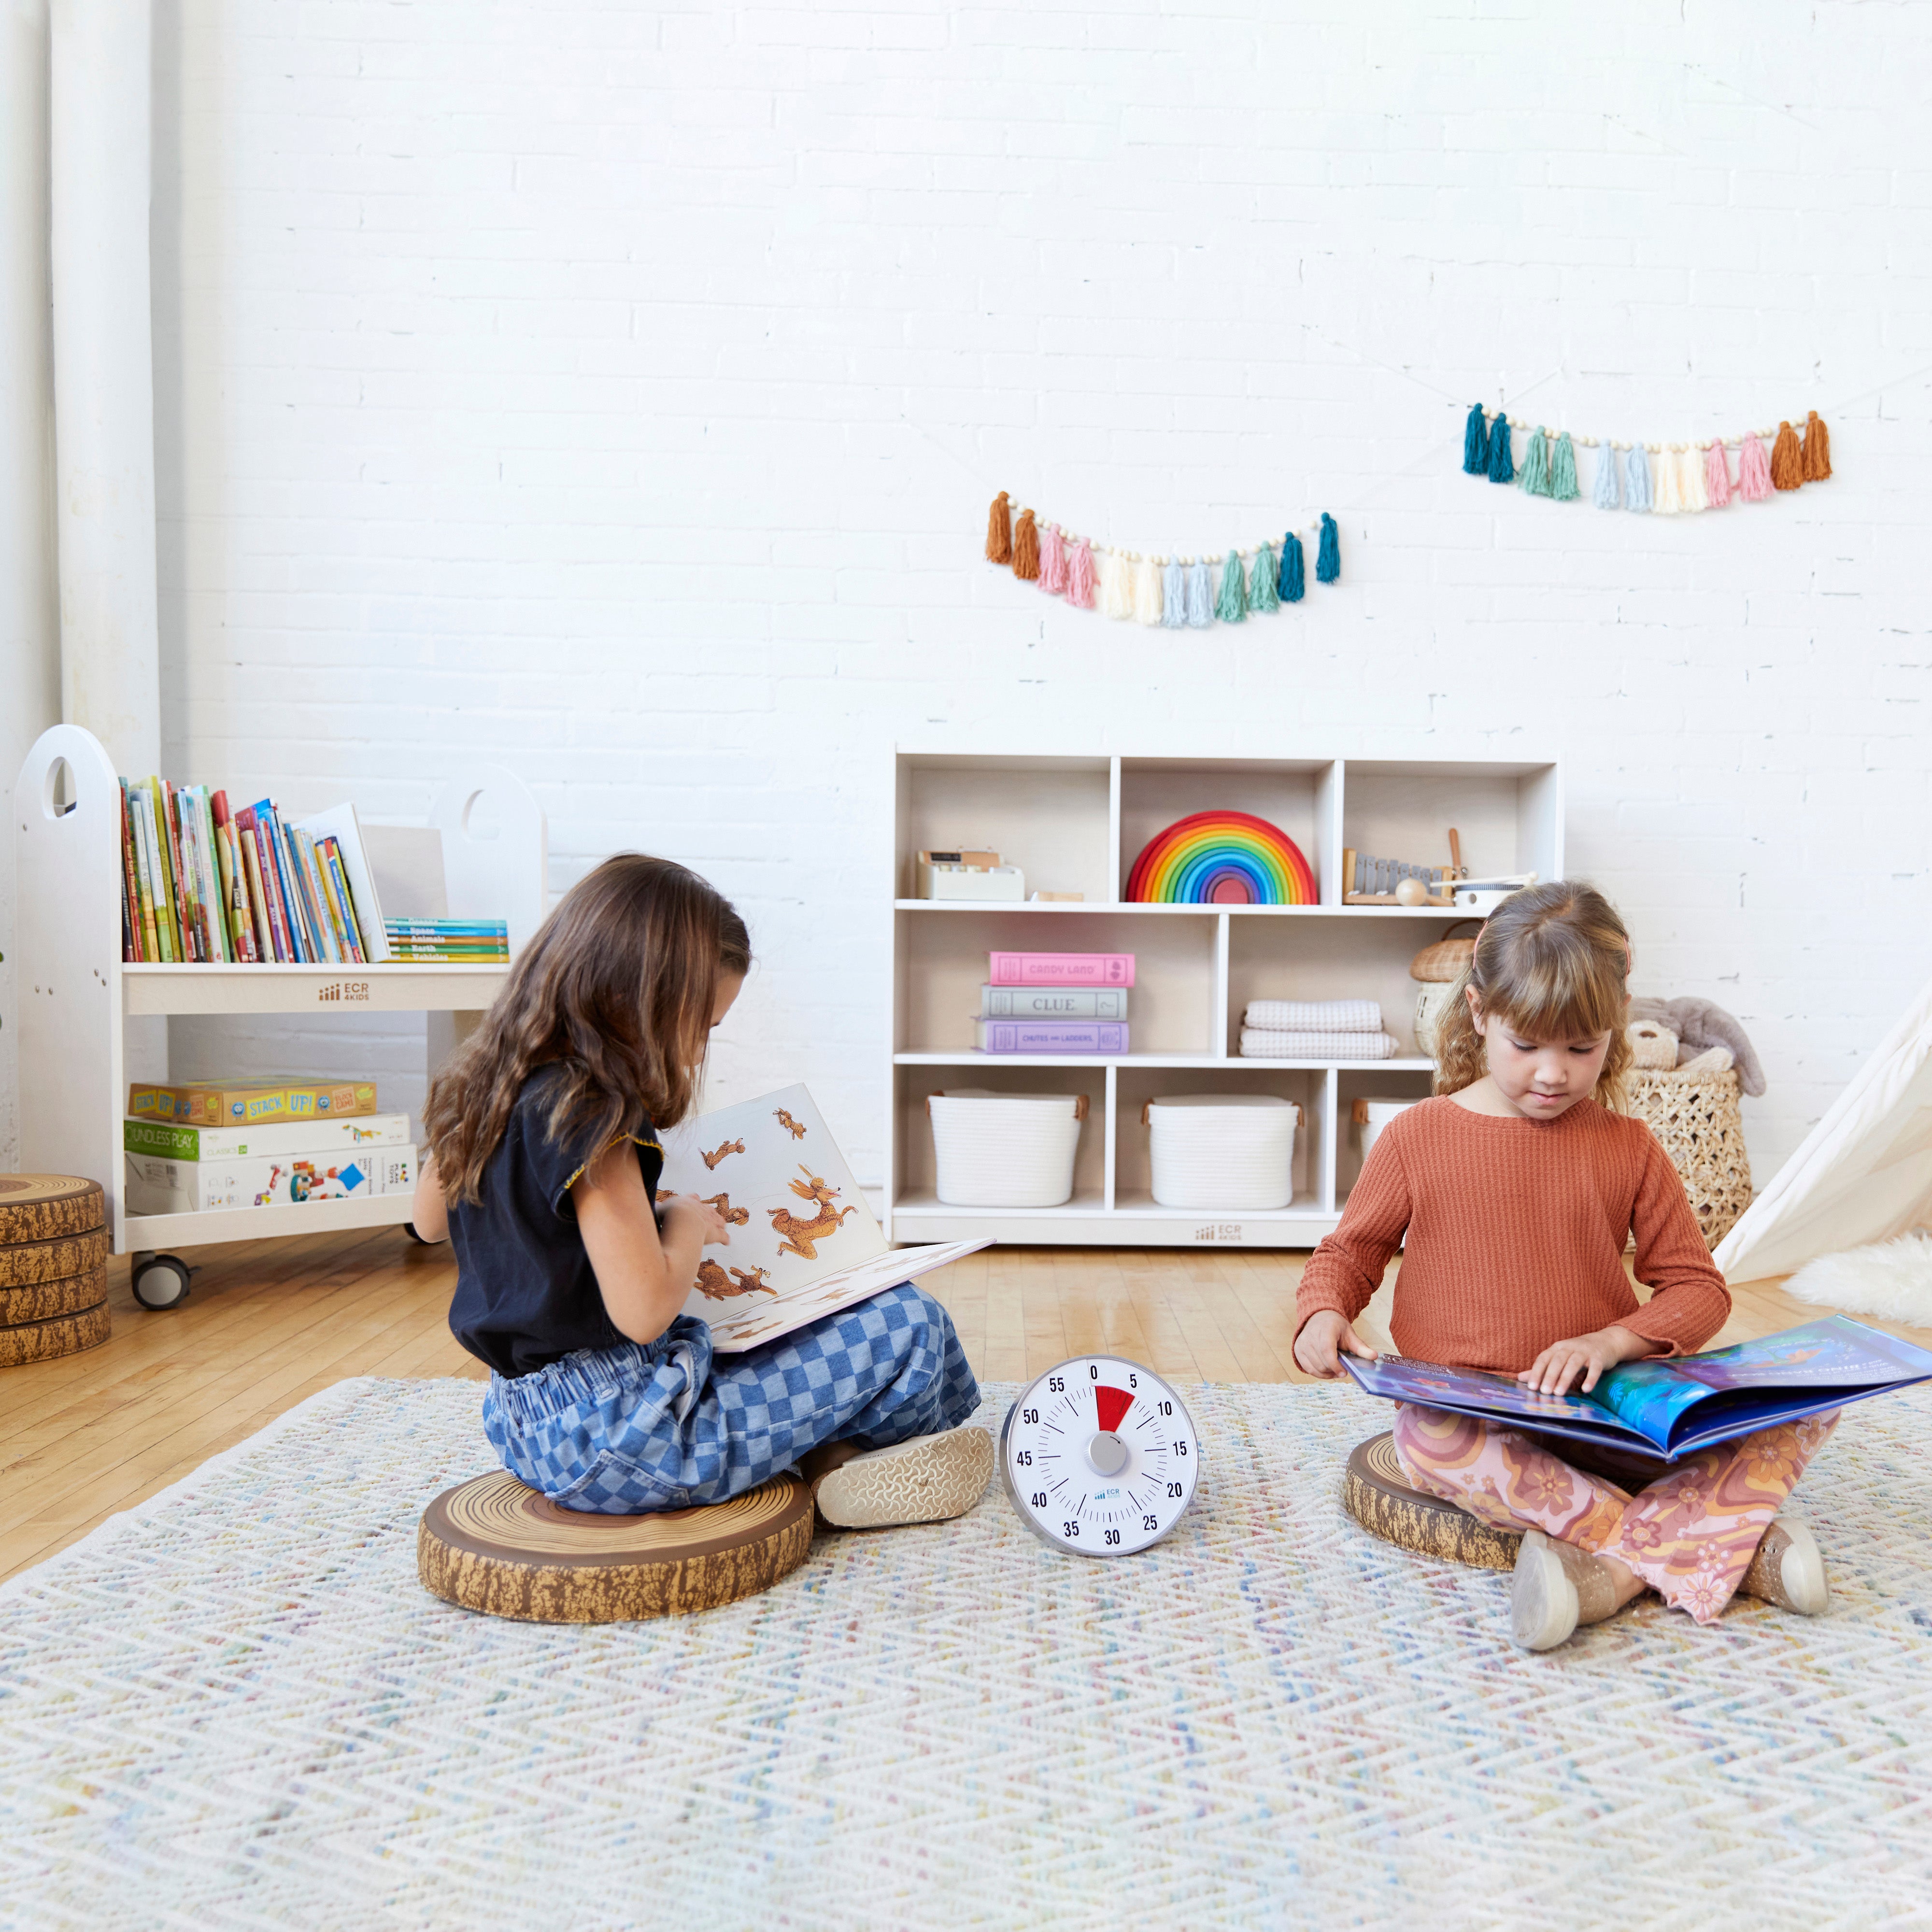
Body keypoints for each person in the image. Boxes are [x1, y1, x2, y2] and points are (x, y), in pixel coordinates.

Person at [1293, 881, 1833, 1650]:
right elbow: (1351, 1251)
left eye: (1581, 1049)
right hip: (1476, 1413)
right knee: (1424, 1443)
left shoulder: (1628, 1147)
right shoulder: (1417, 1137)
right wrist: (1324, 1313)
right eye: (1528, 1046)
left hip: (1601, 1406)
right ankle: (1727, 1550)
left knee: (1796, 1410)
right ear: (1480, 1013)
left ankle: (1608, 1570)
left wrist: (1613, 1342)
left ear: (1612, 1032)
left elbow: (1697, 1289)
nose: (1554, 1074)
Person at [410, 852, 991, 1529]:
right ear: (641, 999)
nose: (693, 1053)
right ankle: (848, 1462)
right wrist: (683, 1222)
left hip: (523, 1426)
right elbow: (643, 1313)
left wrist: (622, 1220)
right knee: (908, 1321)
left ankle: (832, 1457)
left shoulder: (480, 1087)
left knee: (734, 1336)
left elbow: (428, 1222)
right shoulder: (594, 1117)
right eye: (703, 1026)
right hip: (629, 1438)